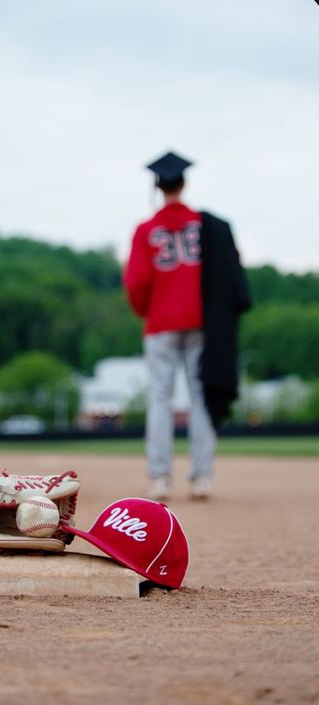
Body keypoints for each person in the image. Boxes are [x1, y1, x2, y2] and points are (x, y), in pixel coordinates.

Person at [123, 151, 251, 501]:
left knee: (160, 399)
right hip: (201, 322)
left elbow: (135, 282)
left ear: (158, 186)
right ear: (185, 182)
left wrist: (145, 312)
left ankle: (161, 478)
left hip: (161, 322)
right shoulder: (205, 225)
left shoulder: (146, 230)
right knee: (200, 397)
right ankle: (201, 478)